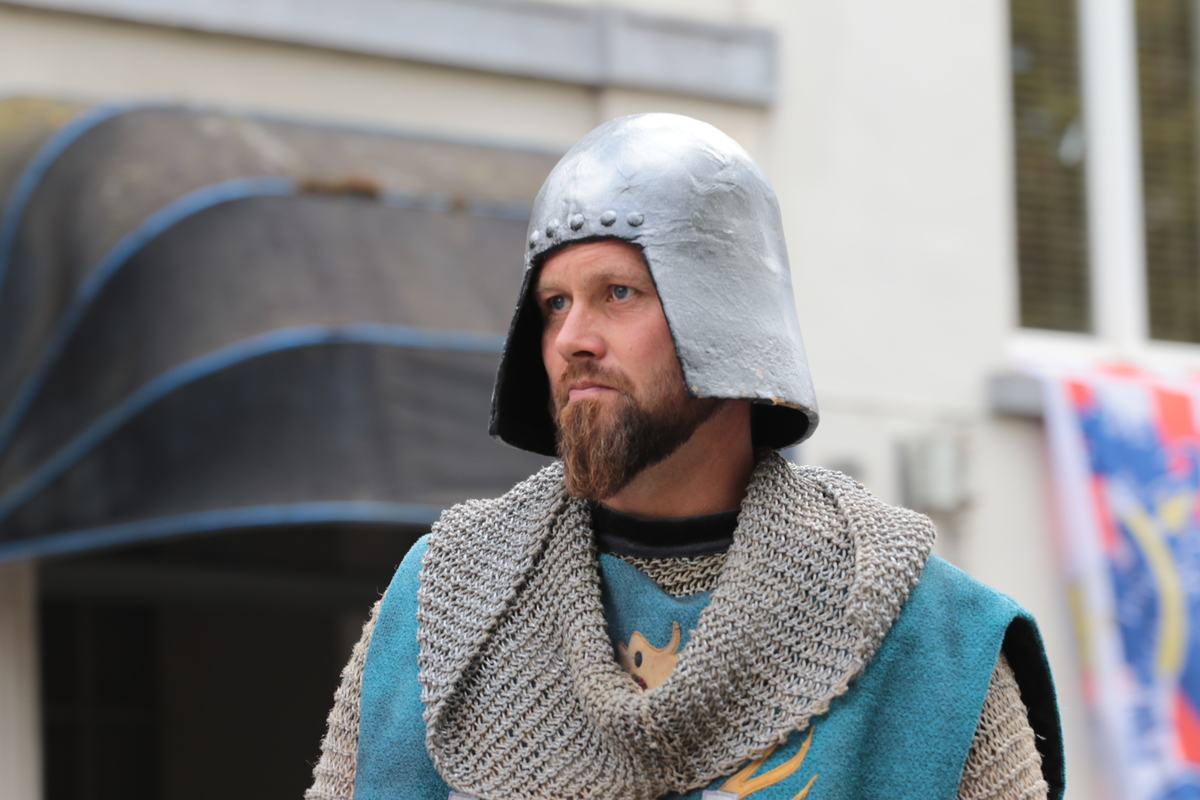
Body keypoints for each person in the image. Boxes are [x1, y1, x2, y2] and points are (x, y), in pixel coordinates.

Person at [307, 113, 1064, 800]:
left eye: (618, 293)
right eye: (555, 304)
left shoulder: (923, 629)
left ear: (726, 319)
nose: (572, 339)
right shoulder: (447, 601)